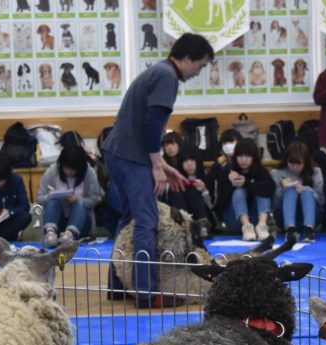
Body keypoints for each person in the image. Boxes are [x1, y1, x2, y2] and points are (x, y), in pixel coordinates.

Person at [101, 32, 213, 308]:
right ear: (187, 58)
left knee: (128, 219)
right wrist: (156, 164)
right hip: (132, 156)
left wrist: (161, 164)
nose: (198, 72)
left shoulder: (157, 71)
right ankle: (146, 292)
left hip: (119, 151)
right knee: (146, 221)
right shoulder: (167, 77)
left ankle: (118, 285)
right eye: (200, 65)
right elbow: (152, 124)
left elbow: (140, 124)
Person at [37, 145, 102, 247]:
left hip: (81, 222)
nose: (69, 172)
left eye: (73, 169)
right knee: (53, 201)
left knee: (80, 203)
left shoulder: (89, 173)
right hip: (58, 220)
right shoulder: (52, 171)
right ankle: (50, 233)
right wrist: (51, 196)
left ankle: (69, 234)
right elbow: (40, 198)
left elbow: (93, 201)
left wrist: (78, 199)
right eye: (66, 168)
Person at [217, 137, 275, 240]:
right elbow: (220, 203)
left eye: (247, 156)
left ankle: (262, 226)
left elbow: (271, 189)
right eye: (240, 156)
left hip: (256, 218)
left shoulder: (260, 170)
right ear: (235, 156)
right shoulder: (228, 170)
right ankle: (246, 226)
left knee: (262, 189)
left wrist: (247, 183)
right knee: (239, 191)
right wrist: (231, 185)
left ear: (254, 157)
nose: (243, 160)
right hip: (235, 219)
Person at [271, 140, 324, 242]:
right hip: (284, 217)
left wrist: (307, 190)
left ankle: (309, 229)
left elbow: (322, 200)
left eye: (299, 164)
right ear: (286, 160)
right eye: (291, 163)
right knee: (290, 190)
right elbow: (274, 205)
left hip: (312, 215)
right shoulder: (277, 173)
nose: (294, 167)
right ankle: (290, 229)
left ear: (306, 162)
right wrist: (281, 188)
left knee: (306, 191)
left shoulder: (315, 171)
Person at [161, 133, 212, 233]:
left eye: (173, 144)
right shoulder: (162, 164)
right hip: (174, 204)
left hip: (195, 204)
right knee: (176, 188)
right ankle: (184, 224)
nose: (170, 148)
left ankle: (202, 224)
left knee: (191, 189)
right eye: (166, 145)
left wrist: (204, 189)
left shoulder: (189, 161)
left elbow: (210, 202)